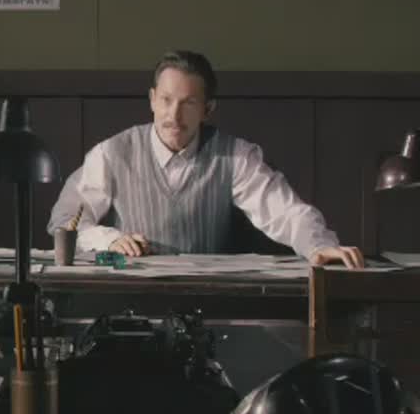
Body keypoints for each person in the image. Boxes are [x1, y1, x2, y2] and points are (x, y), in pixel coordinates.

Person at [47, 50, 365, 268]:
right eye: (166, 100)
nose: (173, 115)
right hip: (131, 305)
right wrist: (109, 239)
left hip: (208, 303)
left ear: (208, 109)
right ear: (152, 100)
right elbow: (63, 221)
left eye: (188, 103)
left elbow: (287, 213)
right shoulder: (113, 152)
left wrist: (318, 245)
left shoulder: (235, 155)